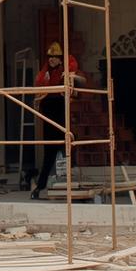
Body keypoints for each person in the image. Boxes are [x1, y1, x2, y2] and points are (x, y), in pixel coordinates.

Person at [31, 41, 87, 198]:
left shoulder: (66, 70)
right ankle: (40, 186)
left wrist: (71, 76)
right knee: (49, 153)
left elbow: (81, 82)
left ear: (60, 59)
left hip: (62, 116)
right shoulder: (44, 73)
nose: (51, 59)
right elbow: (38, 88)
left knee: (67, 147)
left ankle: (72, 184)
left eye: (55, 57)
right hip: (49, 117)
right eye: (50, 57)